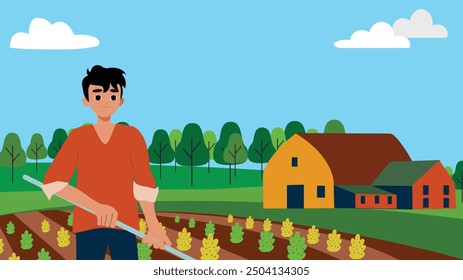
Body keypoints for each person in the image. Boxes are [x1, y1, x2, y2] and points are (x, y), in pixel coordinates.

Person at [42, 65, 171, 260]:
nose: (105, 102)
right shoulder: (78, 137)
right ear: (86, 101)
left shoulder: (132, 136)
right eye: (98, 95)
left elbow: (144, 183)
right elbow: (54, 182)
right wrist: (96, 207)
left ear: (120, 101)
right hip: (88, 225)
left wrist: (153, 225)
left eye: (112, 96)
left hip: (125, 225)